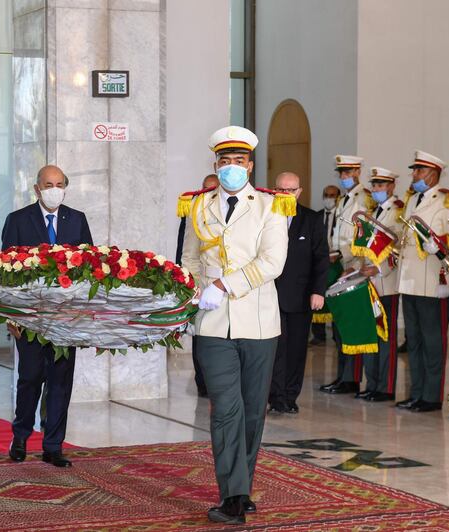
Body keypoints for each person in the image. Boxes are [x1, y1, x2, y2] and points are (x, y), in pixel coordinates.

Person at [182, 125, 291, 525]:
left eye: (239, 162)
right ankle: (233, 495)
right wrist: (195, 291)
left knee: (251, 413)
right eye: (224, 162)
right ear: (216, 164)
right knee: (225, 409)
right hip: (213, 326)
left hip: (259, 323)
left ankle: (241, 486)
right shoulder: (197, 206)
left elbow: (272, 263)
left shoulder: (271, 207)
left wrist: (225, 285)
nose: (231, 168)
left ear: (250, 165)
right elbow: (190, 260)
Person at [4, 165, 93, 468]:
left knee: (59, 383)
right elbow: (5, 274)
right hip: (29, 318)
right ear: (37, 188)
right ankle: (20, 435)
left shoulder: (76, 220)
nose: (54, 189)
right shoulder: (18, 221)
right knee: (29, 378)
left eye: (59, 184)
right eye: (48, 184)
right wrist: (11, 315)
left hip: (65, 320)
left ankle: (53, 445)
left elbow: (89, 268)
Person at [396, 150, 449, 413]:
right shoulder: (413, 200)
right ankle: (417, 392)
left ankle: (432, 397)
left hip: (433, 281)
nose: (414, 176)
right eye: (414, 171)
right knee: (415, 339)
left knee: (433, 342)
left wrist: (440, 246)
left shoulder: (447, 201)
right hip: (410, 280)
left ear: (432, 174)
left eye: (418, 171)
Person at [269, 172, 328, 414]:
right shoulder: (266, 215)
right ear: (274, 190)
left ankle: (289, 396)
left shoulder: (311, 219)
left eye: (291, 190)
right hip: (269, 296)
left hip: (300, 297)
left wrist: (318, 291)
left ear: (299, 192)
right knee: (273, 349)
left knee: (295, 349)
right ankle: (273, 394)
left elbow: (321, 259)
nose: (286, 194)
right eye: (281, 189)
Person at [319, 155, 373, 394]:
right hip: (340, 265)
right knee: (341, 328)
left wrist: (343, 256)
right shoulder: (345, 200)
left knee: (352, 326)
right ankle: (343, 376)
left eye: (348, 172)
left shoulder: (364, 199)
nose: (344, 177)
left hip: (354, 267)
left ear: (358, 171)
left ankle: (352, 378)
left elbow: (365, 236)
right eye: (341, 173)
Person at [356, 167, 404, 402]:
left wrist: (379, 269)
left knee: (386, 337)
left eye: (381, 186)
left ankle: (385, 387)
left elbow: (398, 248)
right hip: (369, 282)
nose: (376, 190)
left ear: (391, 187)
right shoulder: (373, 211)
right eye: (374, 185)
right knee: (371, 334)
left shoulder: (397, 212)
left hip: (386, 283)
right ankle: (372, 383)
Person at [177, 173, 220, 398]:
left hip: (224, 286)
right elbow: (185, 252)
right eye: (205, 188)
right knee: (200, 335)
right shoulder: (194, 208)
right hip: (200, 283)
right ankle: (202, 381)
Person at [310, 185, 340, 345]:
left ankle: (336, 334)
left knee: (335, 297)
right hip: (320, 261)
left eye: (332, 195)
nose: (329, 198)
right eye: (326, 195)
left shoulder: (341, 216)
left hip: (337, 263)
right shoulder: (317, 216)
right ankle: (318, 335)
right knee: (317, 291)